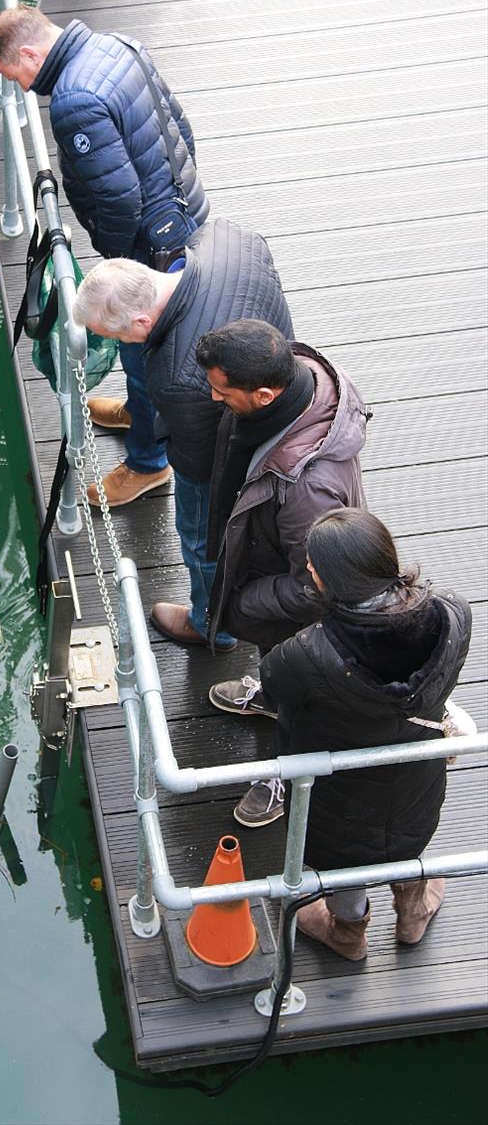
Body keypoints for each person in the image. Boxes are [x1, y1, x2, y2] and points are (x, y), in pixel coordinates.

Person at [0, 6, 209, 506]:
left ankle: (148, 464)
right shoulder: (119, 44)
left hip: (146, 242)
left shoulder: (73, 100)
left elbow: (119, 198)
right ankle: (137, 412)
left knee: (138, 341)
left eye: (14, 75)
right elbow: (179, 127)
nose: (21, 88)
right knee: (148, 347)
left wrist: (112, 251)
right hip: (181, 212)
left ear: (28, 53)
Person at [256, 508, 472, 960]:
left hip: (338, 788)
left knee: (343, 863)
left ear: (331, 581)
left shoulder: (305, 655)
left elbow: (273, 684)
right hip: (417, 772)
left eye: (313, 567)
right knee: (410, 837)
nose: (308, 571)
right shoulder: (454, 614)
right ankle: (412, 913)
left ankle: (348, 933)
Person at [71, 219, 294, 651]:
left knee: (202, 534)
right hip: (283, 379)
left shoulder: (178, 375)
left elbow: (198, 466)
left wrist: (170, 434)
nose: (117, 344)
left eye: (114, 337)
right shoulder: (225, 238)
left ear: (139, 320)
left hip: (237, 443)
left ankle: (213, 623)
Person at [200, 321, 370, 826]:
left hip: (306, 610)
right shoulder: (298, 385)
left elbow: (315, 589)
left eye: (222, 391)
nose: (212, 397)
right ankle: (270, 692)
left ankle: (290, 772)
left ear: (265, 393)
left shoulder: (306, 490)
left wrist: (242, 604)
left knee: (306, 691)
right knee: (277, 660)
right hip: (271, 558)